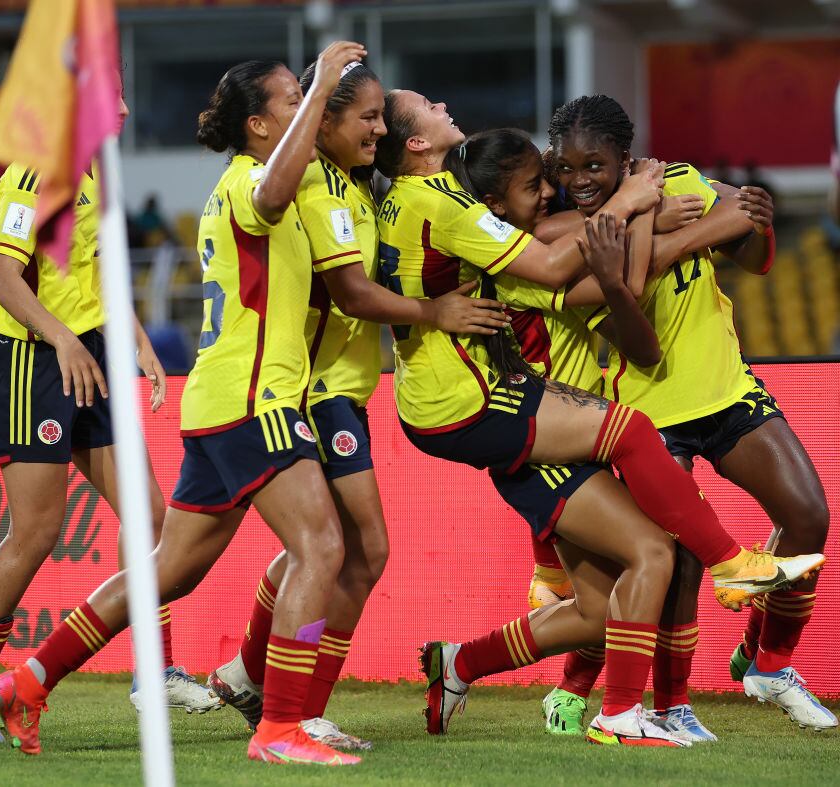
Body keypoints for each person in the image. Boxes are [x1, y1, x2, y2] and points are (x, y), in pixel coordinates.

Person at [372, 88, 826, 746]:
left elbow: (745, 236)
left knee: (612, 596)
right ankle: (640, 698)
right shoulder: (527, 248)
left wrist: (716, 215)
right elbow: (630, 308)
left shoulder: (509, 222)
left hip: (567, 424)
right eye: (550, 177)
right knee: (653, 560)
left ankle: (476, 666)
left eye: (588, 169)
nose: (564, 187)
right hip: (556, 430)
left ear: (625, 157)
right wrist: (665, 217)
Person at [0, 42, 376, 766]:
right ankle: (281, 726)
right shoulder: (251, 182)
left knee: (168, 570)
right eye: (291, 99)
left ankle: (28, 682)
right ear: (258, 126)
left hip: (225, 398)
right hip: (251, 399)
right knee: (322, 544)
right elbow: (275, 195)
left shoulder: (275, 176)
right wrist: (323, 85)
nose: (305, 108)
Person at [208, 60, 509, 751]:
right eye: (366, 117)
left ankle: (253, 677)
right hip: (318, 393)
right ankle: (290, 702)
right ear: (328, 121)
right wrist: (436, 311)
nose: (377, 128)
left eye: (382, 116)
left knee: (325, 551)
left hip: (339, 389)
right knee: (354, 551)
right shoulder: (314, 181)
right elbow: (350, 292)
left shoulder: (352, 185)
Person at [0, 80, 220, 747]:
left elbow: (91, 277)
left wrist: (138, 340)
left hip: (83, 351)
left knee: (149, 516)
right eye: (112, 98)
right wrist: (63, 338)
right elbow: (3, 277)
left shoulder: (97, 172)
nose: (123, 109)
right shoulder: (35, 170)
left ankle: (154, 667)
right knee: (36, 531)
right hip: (32, 361)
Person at [545, 94, 836, 733]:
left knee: (808, 516)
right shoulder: (567, 233)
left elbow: (756, 259)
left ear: (627, 158)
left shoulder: (678, 181)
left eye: (593, 164)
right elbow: (630, 291)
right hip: (646, 411)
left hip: (727, 388)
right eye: (565, 169)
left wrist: (753, 219)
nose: (578, 181)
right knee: (676, 566)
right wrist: (698, 227)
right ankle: (673, 708)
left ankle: (767, 662)